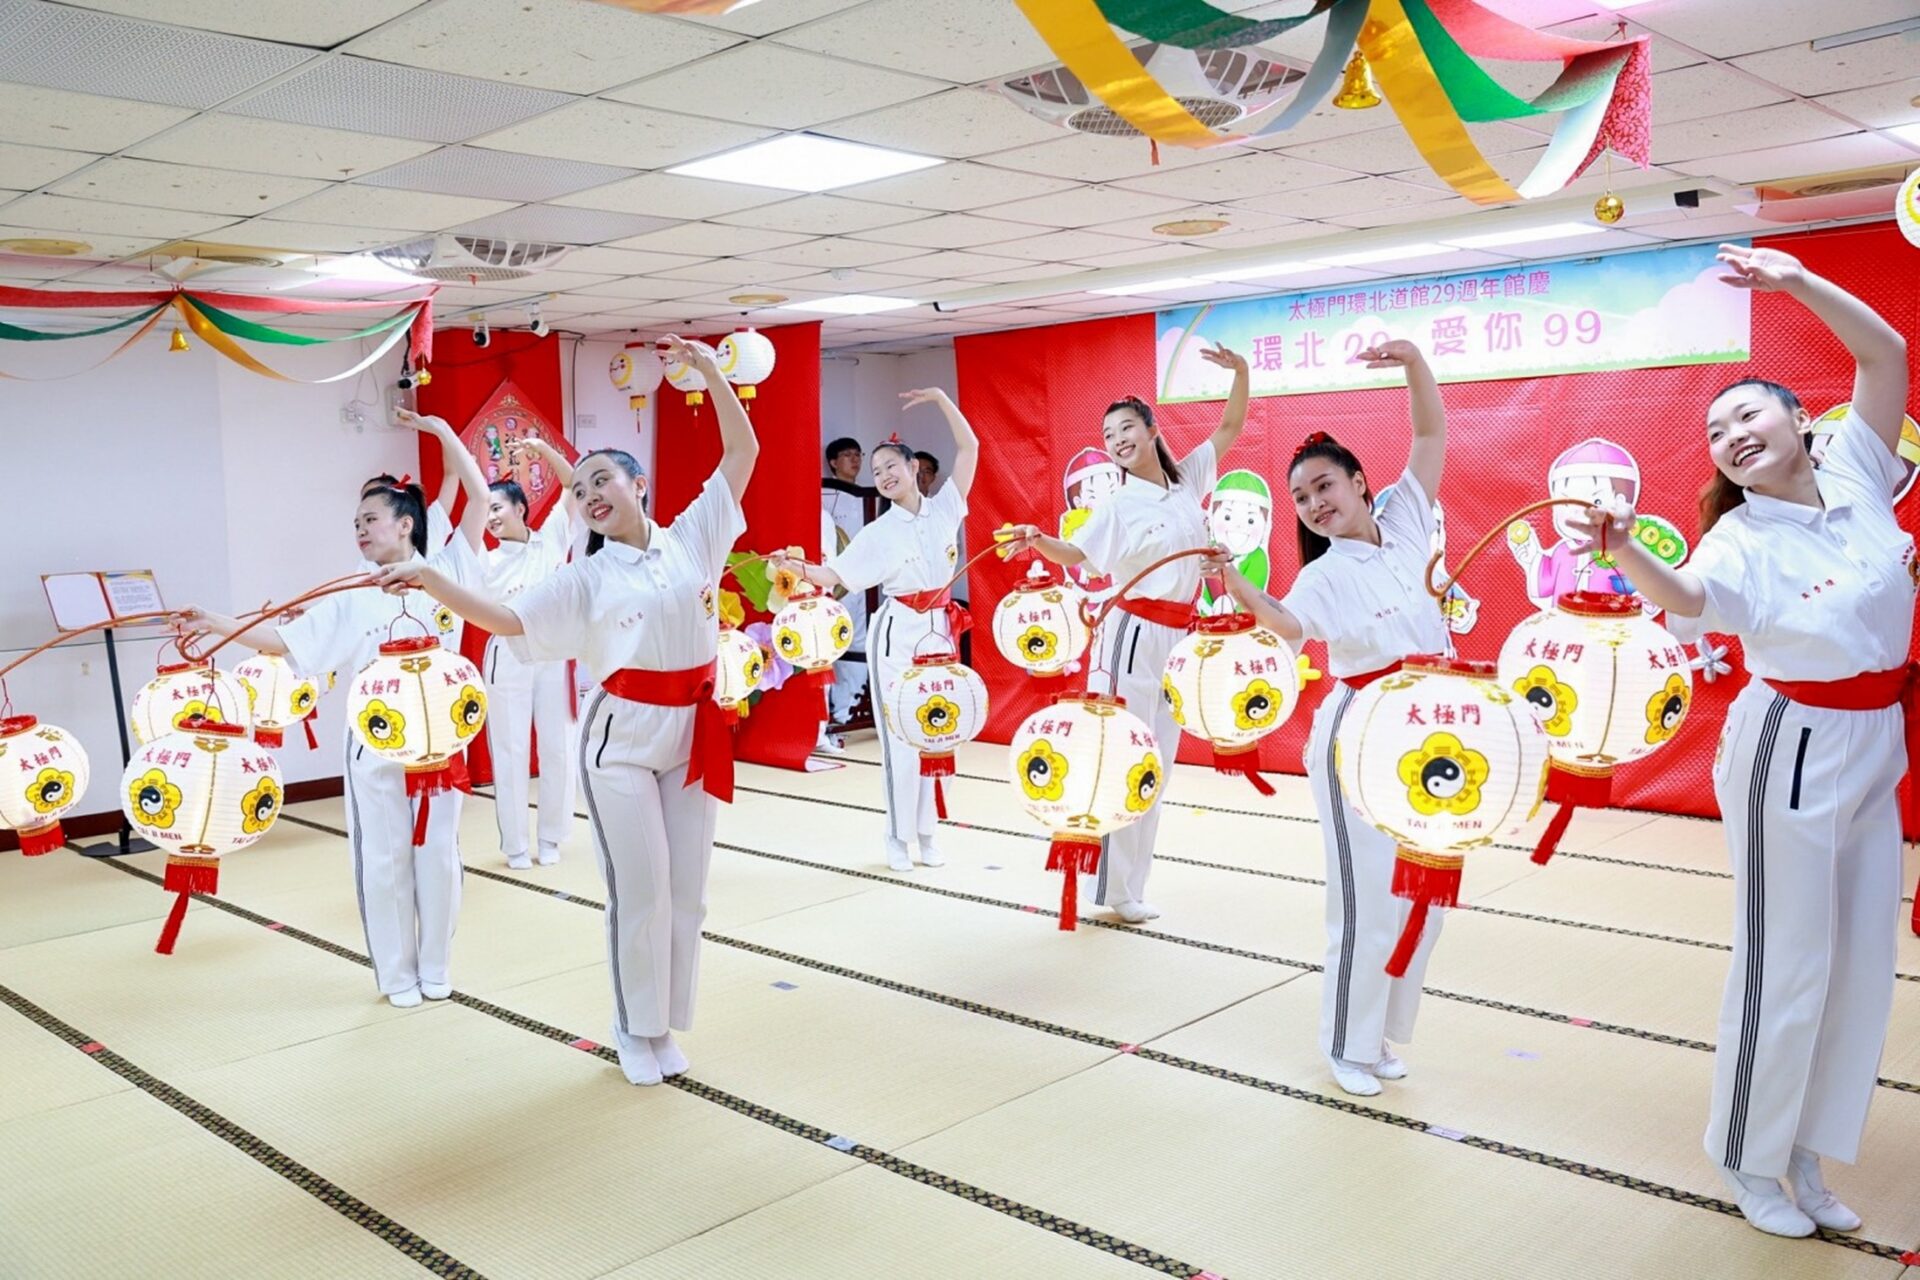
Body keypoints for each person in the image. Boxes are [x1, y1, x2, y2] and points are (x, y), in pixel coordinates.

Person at [1567, 244, 1910, 1239]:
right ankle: (1748, 1156)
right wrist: (1628, 547)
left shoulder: (1857, 463)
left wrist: (1793, 279)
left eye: (1747, 413)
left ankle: (1802, 1145)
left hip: (1874, 737)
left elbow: (1884, 352)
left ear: (1800, 417)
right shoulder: (1739, 538)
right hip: (1787, 747)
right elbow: (1693, 600)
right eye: (1715, 431)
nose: (1729, 434)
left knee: (1856, 962)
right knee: (1785, 958)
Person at [372, 337, 759, 1087]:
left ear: (638, 484)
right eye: (578, 491)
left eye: (601, 479)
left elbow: (741, 450)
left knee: (689, 893)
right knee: (640, 890)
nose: (588, 495)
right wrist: (426, 578)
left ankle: (667, 1019)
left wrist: (711, 371)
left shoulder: (698, 537)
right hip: (621, 740)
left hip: (695, 729)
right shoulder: (582, 577)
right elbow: (504, 618)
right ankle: (633, 1027)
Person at [179, 409, 490, 1009]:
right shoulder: (349, 591)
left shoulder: (448, 569)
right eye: (355, 522)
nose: (360, 529)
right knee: (383, 857)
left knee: (439, 857)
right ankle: (396, 975)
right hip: (375, 745)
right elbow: (281, 639)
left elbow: (477, 493)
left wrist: (439, 430)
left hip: (439, 747)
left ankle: (436, 966)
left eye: (370, 519)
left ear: (406, 525)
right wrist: (216, 621)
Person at [1205, 342, 1449, 1098]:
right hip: (1358, 736)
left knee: (1423, 896)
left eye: (1323, 486)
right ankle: (1347, 1041)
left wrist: (1412, 361)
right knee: (1364, 897)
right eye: (1302, 497)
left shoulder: (1407, 521)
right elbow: (1284, 625)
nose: (1314, 504)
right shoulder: (1322, 572)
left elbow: (1432, 436)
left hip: (1428, 731)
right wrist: (1234, 583)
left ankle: (1379, 1035)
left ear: (1359, 483)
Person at [1003, 345, 1249, 922]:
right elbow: (1079, 553)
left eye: (1126, 428)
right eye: (1108, 434)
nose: (1116, 440)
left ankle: (1130, 888)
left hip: (1177, 640)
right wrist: (1040, 539)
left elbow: (1231, 425)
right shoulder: (1117, 503)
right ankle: (1112, 889)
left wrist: (1240, 372)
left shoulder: (1187, 480)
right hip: (1130, 636)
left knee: (1157, 764)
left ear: (1151, 429)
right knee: (1120, 755)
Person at [776, 390, 980, 871]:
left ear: (915, 469)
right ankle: (897, 838)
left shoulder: (947, 507)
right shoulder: (877, 533)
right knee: (901, 743)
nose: (885, 476)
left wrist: (941, 400)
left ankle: (929, 831)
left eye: (893, 466)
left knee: (941, 735)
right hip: (898, 633)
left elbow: (969, 448)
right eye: (877, 472)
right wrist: (796, 567)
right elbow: (835, 577)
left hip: (941, 631)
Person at [479, 437, 577, 870]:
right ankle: (516, 844)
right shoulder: (486, 559)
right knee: (511, 748)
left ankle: (552, 836)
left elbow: (574, 484)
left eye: (497, 508)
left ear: (520, 508)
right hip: (508, 654)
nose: (491, 518)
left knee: (557, 747)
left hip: (553, 651)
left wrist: (542, 448)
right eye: (485, 512)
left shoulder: (552, 538)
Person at [822, 436, 870, 741]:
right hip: (834, 582)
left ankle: (850, 710)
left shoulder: (871, 496)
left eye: (857, 454)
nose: (854, 460)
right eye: (847, 455)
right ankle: (832, 714)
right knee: (831, 643)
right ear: (833, 462)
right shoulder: (823, 494)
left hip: (865, 583)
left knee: (860, 643)